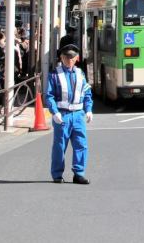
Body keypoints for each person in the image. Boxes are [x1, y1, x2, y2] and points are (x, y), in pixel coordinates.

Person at [43, 44, 93, 185]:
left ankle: (79, 173)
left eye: (72, 58)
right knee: (59, 146)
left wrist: (88, 109)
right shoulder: (55, 74)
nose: (69, 60)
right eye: (66, 57)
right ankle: (57, 174)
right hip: (63, 115)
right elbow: (49, 95)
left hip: (78, 115)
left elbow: (87, 93)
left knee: (81, 145)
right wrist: (54, 112)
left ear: (76, 58)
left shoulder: (80, 74)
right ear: (61, 58)